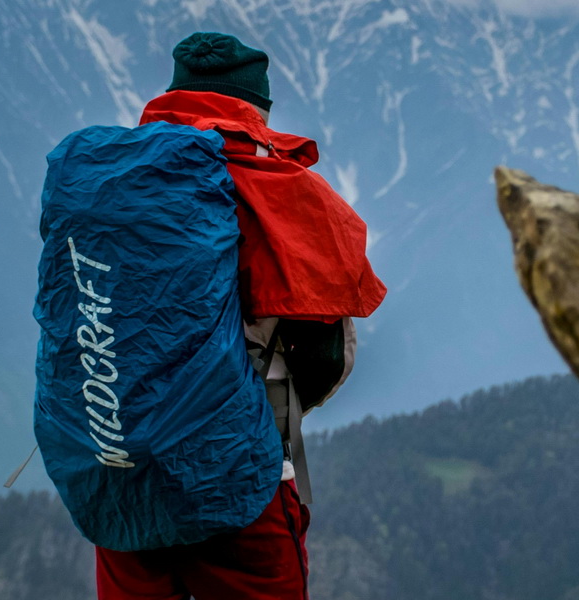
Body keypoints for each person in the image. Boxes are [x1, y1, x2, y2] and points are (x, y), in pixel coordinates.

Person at [94, 32, 386, 600]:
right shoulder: (286, 193)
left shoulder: (109, 188)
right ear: (257, 108)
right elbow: (327, 357)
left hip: (121, 471)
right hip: (240, 475)